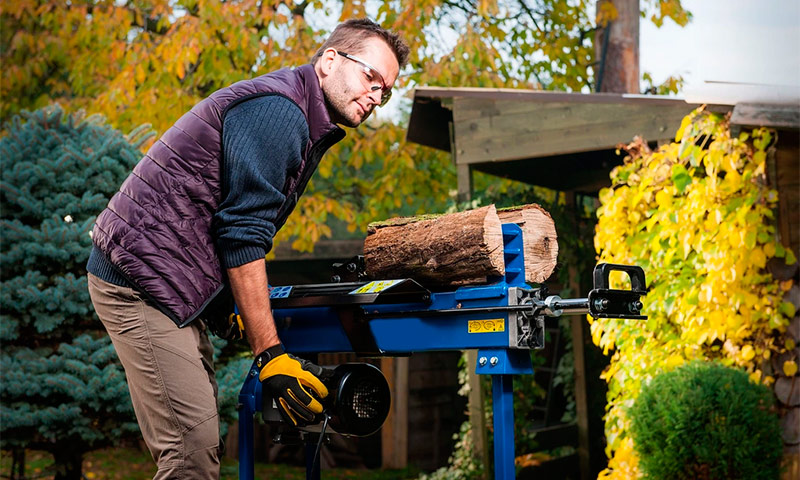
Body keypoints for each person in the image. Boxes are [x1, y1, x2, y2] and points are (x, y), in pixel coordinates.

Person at [86, 18, 409, 478]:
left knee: (199, 444)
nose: (377, 97)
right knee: (191, 454)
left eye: (387, 91)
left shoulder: (299, 109)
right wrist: (269, 353)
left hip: (167, 279)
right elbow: (242, 231)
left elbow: (213, 213)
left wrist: (224, 309)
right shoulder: (282, 111)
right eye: (371, 78)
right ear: (330, 61)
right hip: (140, 281)